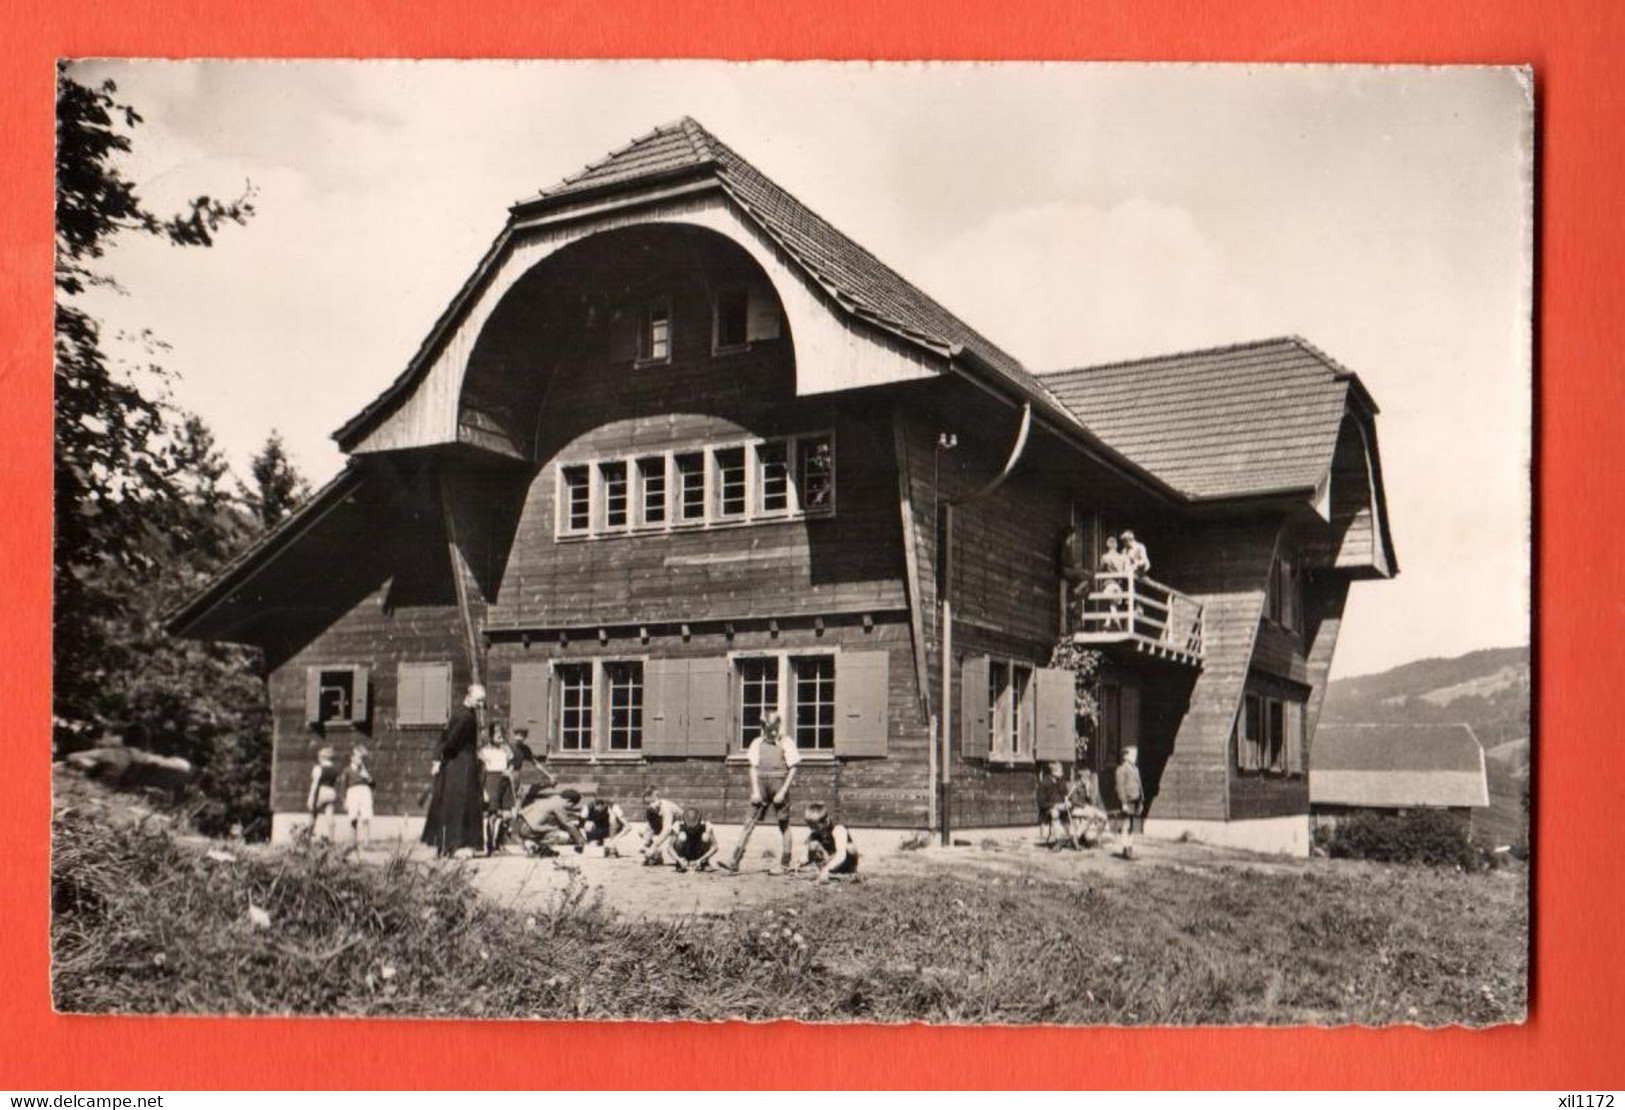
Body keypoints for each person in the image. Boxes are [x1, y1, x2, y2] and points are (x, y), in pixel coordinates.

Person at [721, 708, 801, 873]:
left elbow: (793, 768)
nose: (772, 732)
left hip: (779, 785)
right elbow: (753, 769)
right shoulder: (757, 743)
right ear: (763, 727)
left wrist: (783, 792)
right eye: (768, 728)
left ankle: (785, 864)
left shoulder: (787, 742)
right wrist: (756, 791)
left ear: (779, 724)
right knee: (749, 822)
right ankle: (734, 862)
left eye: (775, 727)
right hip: (761, 785)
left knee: (784, 824)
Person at [421, 684, 486, 858]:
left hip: (461, 762)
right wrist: (441, 758)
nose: (481, 704)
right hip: (460, 764)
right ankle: (456, 845)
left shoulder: (465, 714)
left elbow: (445, 738)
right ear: (469, 696)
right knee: (460, 804)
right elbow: (450, 741)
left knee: (459, 803)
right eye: (479, 700)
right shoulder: (465, 717)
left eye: (482, 701)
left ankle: (453, 845)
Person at [509, 788, 588, 855]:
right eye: (572, 805)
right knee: (564, 836)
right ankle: (536, 846)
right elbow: (567, 824)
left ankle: (536, 845)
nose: (571, 808)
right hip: (530, 830)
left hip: (521, 825)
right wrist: (579, 840)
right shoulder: (558, 805)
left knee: (555, 825)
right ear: (568, 801)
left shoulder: (552, 799)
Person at [797, 802, 858, 881]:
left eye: (815, 826)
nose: (812, 829)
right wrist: (800, 862)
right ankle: (822, 872)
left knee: (850, 848)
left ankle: (849, 873)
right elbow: (805, 852)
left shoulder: (838, 829)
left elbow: (841, 856)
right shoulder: (815, 832)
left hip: (843, 863)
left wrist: (827, 869)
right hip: (828, 861)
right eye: (810, 826)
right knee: (813, 845)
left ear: (825, 822)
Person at [479, 723, 515, 854]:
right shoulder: (484, 751)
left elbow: (512, 765)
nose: (499, 735)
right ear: (491, 735)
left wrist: (508, 771)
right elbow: (481, 771)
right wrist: (482, 788)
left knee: (505, 813)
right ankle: (487, 842)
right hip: (491, 780)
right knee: (490, 813)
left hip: (504, 780)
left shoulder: (506, 750)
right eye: (496, 732)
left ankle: (497, 842)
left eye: (501, 732)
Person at [1092, 534, 1131, 631]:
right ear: (1116, 546)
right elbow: (1126, 571)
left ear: (1107, 546)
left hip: (1109, 585)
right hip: (1118, 587)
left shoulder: (1105, 557)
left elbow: (1099, 570)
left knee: (1111, 605)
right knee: (1112, 605)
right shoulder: (1122, 557)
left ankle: (1117, 626)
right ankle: (1109, 622)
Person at [341, 743, 375, 850]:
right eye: (358, 756)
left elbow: (373, 785)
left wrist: (368, 777)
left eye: (361, 757)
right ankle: (353, 843)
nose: (360, 759)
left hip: (364, 792)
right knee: (353, 817)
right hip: (352, 793)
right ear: (352, 758)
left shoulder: (365, 770)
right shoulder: (347, 770)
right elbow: (343, 786)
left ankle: (366, 843)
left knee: (366, 817)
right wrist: (344, 800)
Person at [640, 786, 685, 865]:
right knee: (642, 833)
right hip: (674, 829)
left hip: (686, 833)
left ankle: (684, 857)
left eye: (651, 802)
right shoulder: (651, 810)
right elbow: (649, 828)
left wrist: (653, 847)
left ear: (657, 799)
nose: (650, 806)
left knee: (674, 843)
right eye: (647, 804)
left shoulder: (666, 808)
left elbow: (666, 830)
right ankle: (656, 856)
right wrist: (645, 844)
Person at [666, 807, 719, 872]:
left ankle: (704, 864)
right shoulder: (677, 825)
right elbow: (669, 847)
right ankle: (681, 864)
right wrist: (679, 859)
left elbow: (715, 846)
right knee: (681, 836)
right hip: (685, 852)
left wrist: (701, 859)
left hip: (699, 853)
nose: (692, 830)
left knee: (705, 836)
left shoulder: (706, 825)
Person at [1066, 769, 1109, 850]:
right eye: (1084, 777)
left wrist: (1088, 791)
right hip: (1077, 809)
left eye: (1087, 777)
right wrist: (1084, 806)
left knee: (1104, 817)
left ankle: (1096, 838)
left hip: (1087, 808)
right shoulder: (1076, 786)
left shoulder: (1088, 786)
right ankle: (1076, 837)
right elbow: (1073, 800)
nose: (1086, 779)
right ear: (1081, 778)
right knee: (1090, 815)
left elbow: (1093, 801)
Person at [1115, 745, 1145, 860]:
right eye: (1133, 755)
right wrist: (1123, 803)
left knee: (1132, 825)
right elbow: (1120, 787)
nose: (1135, 757)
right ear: (1126, 756)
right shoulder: (1121, 769)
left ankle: (1130, 846)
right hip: (1127, 801)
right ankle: (1126, 847)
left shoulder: (1135, 769)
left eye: (1136, 755)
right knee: (1126, 824)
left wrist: (1141, 799)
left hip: (1135, 800)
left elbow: (1139, 785)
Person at [306, 746, 340, 841]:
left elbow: (315, 783)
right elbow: (336, 781)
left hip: (321, 791)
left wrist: (311, 797)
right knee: (330, 815)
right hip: (331, 791)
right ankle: (332, 839)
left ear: (322, 757)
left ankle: (308, 838)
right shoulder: (334, 769)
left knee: (313, 813)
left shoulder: (318, 768)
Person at [1036, 761, 1072, 847]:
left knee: (1075, 811)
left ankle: (1074, 837)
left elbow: (1066, 796)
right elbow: (1041, 803)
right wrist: (1055, 806)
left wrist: (1068, 802)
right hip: (1047, 811)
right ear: (1053, 772)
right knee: (1055, 813)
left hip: (1062, 808)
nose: (1062, 773)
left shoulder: (1061, 782)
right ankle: (1059, 840)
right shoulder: (1044, 783)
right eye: (1060, 771)